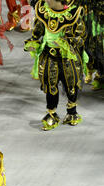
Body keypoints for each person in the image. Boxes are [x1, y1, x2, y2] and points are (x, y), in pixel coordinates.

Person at [24, 0, 87, 131]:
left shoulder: (73, 14)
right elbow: (39, 29)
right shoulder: (44, 11)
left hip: (67, 57)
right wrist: (34, 41)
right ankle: (52, 113)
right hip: (49, 55)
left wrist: (65, 43)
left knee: (71, 84)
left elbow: (80, 36)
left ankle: (72, 112)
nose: (46, 1)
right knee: (50, 85)